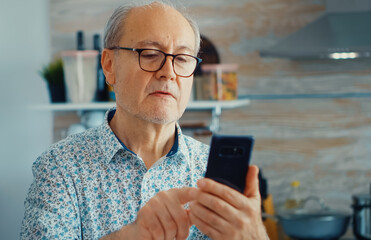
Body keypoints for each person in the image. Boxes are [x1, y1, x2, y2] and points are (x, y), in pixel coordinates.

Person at [21, 1, 268, 239]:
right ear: (109, 65)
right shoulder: (59, 169)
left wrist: (254, 236)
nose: (169, 72)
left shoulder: (212, 174)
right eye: (150, 54)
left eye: (182, 59)